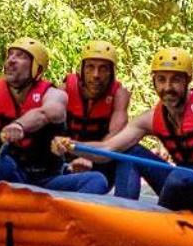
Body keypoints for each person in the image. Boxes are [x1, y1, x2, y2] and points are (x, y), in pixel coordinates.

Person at [57, 47, 193, 221]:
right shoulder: (151, 118)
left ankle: (158, 225)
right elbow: (108, 150)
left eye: (175, 80)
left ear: (187, 80)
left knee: (181, 176)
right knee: (131, 151)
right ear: (154, 82)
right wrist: (72, 146)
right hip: (185, 186)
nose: (168, 87)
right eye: (161, 80)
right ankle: (122, 213)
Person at [46, 40, 157, 199]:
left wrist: (86, 156)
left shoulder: (119, 95)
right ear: (82, 70)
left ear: (111, 72)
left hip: (100, 163)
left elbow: (114, 136)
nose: (96, 75)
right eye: (90, 67)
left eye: (103, 68)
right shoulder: (64, 91)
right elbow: (50, 131)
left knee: (128, 148)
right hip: (63, 161)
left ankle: (123, 208)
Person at [0, 38, 69, 186]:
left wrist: (20, 125)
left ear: (37, 69)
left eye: (21, 56)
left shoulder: (54, 95)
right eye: (10, 55)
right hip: (11, 179)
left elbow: (47, 113)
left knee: (96, 180)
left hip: (50, 179)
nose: (11, 60)